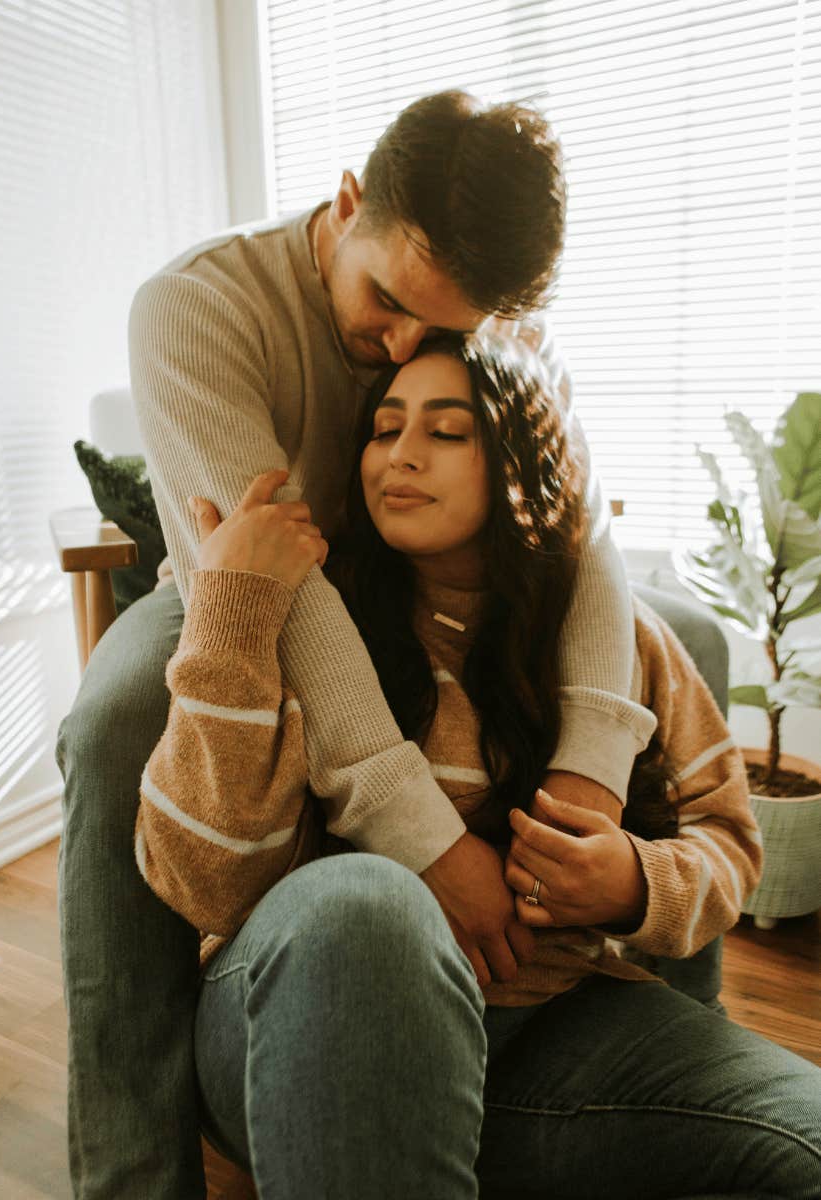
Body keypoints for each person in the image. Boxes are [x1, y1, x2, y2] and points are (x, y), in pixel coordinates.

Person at [57, 91, 706, 1195]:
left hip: (438, 565)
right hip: (253, 578)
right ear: (347, 202)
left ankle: (666, 1057)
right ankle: (132, 1167)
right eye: (390, 303)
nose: (406, 346)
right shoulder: (194, 307)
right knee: (117, 714)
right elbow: (295, 592)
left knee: (682, 633)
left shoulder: (493, 313)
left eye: (443, 330)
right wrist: (428, 844)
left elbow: (581, 526)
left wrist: (588, 786)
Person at [136, 336, 821, 1198]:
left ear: (520, 462)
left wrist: (634, 884)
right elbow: (205, 879)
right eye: (384, 429)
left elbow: (727, 835)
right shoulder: (312, 622)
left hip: (547, 1037)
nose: (402, 454)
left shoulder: (619, 640)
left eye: (448, 431)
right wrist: (230, 619)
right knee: (369, 907)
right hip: (301, 1033)